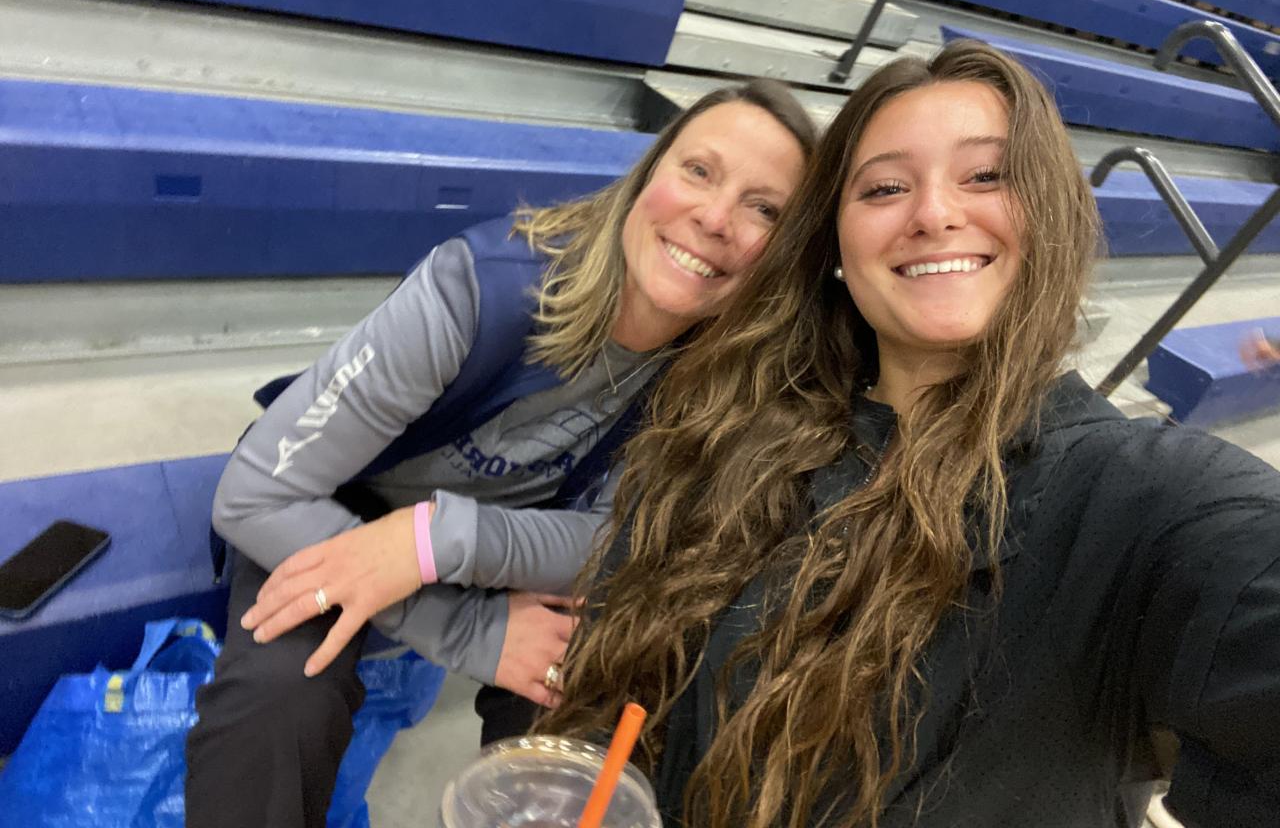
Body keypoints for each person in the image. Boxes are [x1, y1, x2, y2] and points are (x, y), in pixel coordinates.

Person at [541, 40, 1280, 828]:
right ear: (835, 244)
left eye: (986, 176)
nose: (933, 214)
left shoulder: (1139, 503)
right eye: (886, 188)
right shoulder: (730, 420)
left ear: (1053, 216)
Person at [183, 79, 815, 828]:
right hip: (333, 506)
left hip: (488, 544)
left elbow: (614, 543)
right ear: (648, 175)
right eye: (699, 171)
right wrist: (468, 629)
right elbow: (254, 496)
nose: (715, 218)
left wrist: (433, 542)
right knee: (282, 690)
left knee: (588, 691)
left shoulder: (728, 373)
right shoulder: (485, 290)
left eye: (764, 209)